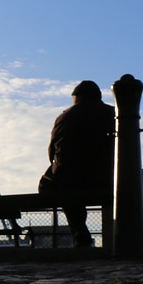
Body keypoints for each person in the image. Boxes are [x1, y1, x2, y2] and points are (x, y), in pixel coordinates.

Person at [39, 80, 116, 246]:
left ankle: (80, 233)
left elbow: (51, 153)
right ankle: (136, 235)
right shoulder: (112, 113)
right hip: (106, 176)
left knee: (60, 182)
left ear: (77, 98)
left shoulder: (64, 117)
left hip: (70, 179)